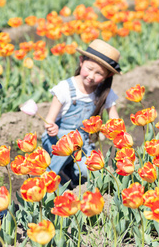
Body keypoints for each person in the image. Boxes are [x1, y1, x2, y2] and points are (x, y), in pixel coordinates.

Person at [42, 39, 121, 187]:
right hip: (58, 140)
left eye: (99, 73)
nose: (91, 76)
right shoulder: (65, 88)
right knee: (65, 152)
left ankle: (79, 184)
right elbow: (49, 121)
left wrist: (117, 134)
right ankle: (48, 181)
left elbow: (115, 120)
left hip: (83, 143)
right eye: (89, 68)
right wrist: (51, 127)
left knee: (89, 169)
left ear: (107, 76)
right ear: (81, 61)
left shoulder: (104, 93)